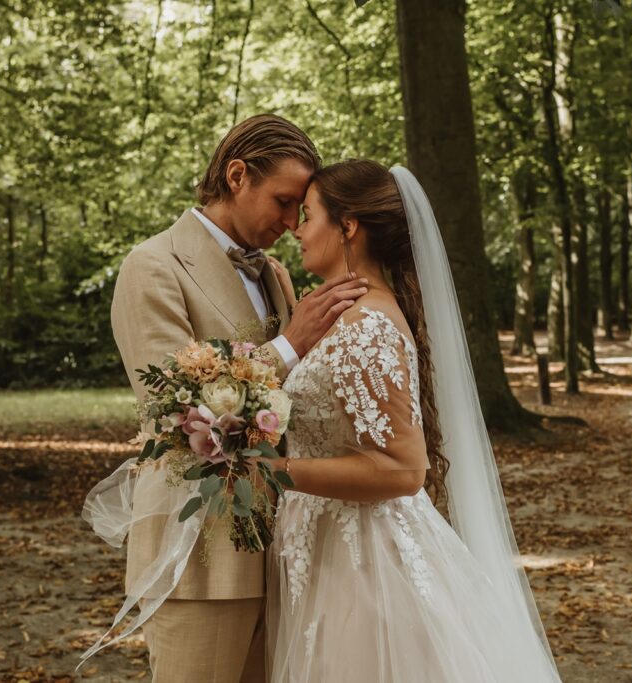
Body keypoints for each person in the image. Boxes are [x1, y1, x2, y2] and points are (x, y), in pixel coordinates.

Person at [81, 114, 366, 682]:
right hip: (201, 551)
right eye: (284, 202)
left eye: (299, 209)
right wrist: (290, 344)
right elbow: (171, 411)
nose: (291, 223)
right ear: (237, 176)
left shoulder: (277, 275)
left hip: (285, 547)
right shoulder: (152, 267)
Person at [263, 159, 562, 682]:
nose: (296, 228)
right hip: (325, 543)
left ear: (348, 225)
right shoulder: (342, 315)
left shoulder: (366, 325)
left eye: (308, 216)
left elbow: (402, 471)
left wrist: (270, 469)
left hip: (364, 563)